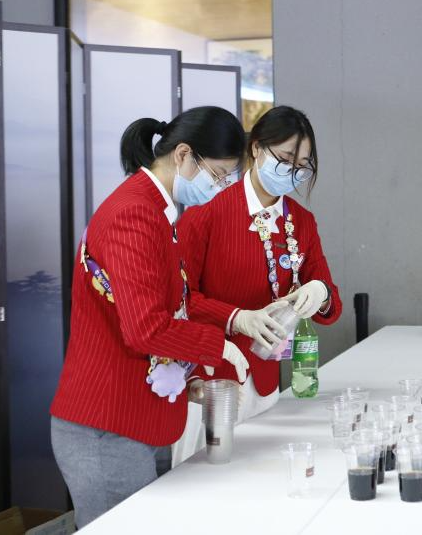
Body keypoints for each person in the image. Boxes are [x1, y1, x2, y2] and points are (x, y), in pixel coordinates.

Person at [50, 107, 251, 528]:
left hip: (137, 418)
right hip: (107, 423)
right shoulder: (134, 213)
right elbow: (146, 328)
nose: (219, 188)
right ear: (184, 155)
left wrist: (191, 371)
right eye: (217, 175)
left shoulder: (159, 211)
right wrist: (218, 345)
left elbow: (170, 304)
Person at [173, 106, 341, 462]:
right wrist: (237, 318)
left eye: (302, 165)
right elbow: (180, 299)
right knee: (203, 478)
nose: (292, 172)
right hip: (209, 381)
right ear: (256, 148)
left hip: (265, 381)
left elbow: (330, 303)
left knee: (261, 478)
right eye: (285, 159)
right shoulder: (208, 210)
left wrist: (320, 292)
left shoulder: (301, 221)